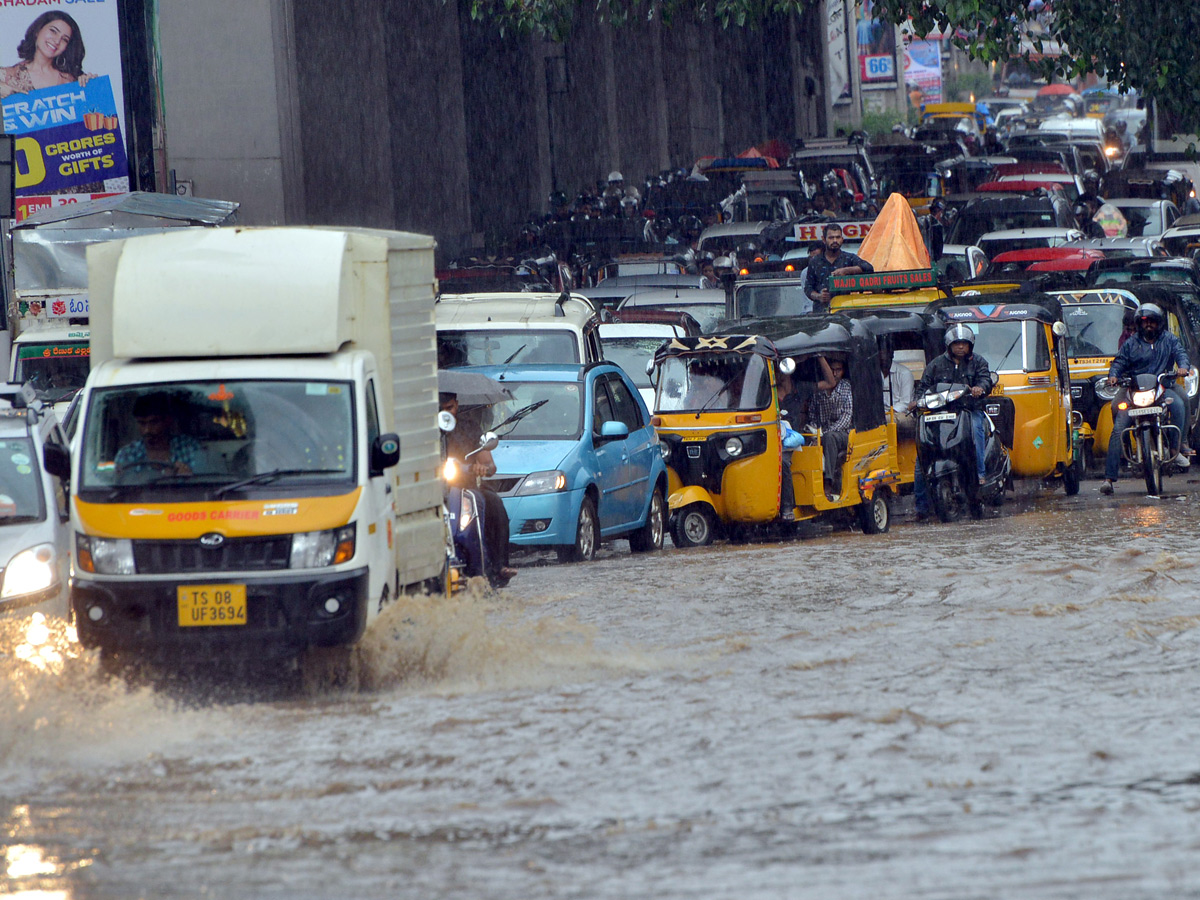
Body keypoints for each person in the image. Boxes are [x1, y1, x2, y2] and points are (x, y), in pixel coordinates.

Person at [1099, 303, 1190, 494]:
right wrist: (1114, 375)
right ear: (1139, 324)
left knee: (1180, 404)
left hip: (1162, 386)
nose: (1148, 325)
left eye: (1152, 322)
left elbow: (1181, 354)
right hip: (1134, 390)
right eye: (1144, 322)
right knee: (1117, 417)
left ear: (1159, 323)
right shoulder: (1130, 343)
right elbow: (1119, 362)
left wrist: (1182, 366)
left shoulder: (1169, 340)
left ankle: (1175, 448)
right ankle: (1109, 477)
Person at [909, 325, 994, 519]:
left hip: (969, 410)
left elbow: (985, 380)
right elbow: (923, 386)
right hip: (940, 414)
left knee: (977, 430)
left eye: (964, 344)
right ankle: (921, 507)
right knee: (922, 456)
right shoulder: (936, 364)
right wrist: (917, 401)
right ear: (949, 345)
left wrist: (979, 388)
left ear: (970, 345)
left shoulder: (978, 362)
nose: (961, 347)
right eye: (957, 344)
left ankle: (980, 475)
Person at [439, 392, 517, 587]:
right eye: (440, 409)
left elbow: (489, 464)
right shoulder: (424, 431)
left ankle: (497, 566)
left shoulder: (470, 428)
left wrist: (483, 468)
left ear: (456, 405)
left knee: (494, 504)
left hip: (467, 487)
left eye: (449, 408)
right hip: (434, 490)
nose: (445, 413)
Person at [0, 12, 94, 98]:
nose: (57, 41)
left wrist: (93, 86)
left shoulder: (73, 79)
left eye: (64, 39)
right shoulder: (6, 76)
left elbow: (96, 110)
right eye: (53, 31)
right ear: (38, 30)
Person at [802, 356, 853, 499]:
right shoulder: (819, 391)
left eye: (839, 370)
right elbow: (812, 415)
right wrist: (814, 432)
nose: (835, 373)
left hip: (842, 434)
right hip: (820, 432)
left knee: (830, 438)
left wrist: (823, 434)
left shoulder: (846, 387)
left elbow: (846, 418)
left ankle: (828, 482)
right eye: (832, 370)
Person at [115, 393, 203, 476]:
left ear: (167, 421)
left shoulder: (189, 448)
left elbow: (204, 484)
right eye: (142, 423)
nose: (147, 430)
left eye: (154, 422)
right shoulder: (127, 454)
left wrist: (189, 477)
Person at [803, 224, 874, 312]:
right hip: (822, 313)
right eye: (831, 238)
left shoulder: (849, 258)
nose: (835, 241)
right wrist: (819, 296)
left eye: (838, 237)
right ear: (824, 240)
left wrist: (847, 270)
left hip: (846, 312)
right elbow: (808, 288)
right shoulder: (815, 261)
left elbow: (869, 268)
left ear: (842, 239)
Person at [880, 345, 915, 434]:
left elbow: (905, 403)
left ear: (891, 355)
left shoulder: (904, 373)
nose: (882, 357)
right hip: (881, 415)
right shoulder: (874, 373)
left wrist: (886, 414)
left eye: (885, 354)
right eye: (880, 355)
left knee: (883, 421)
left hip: (902, 414)